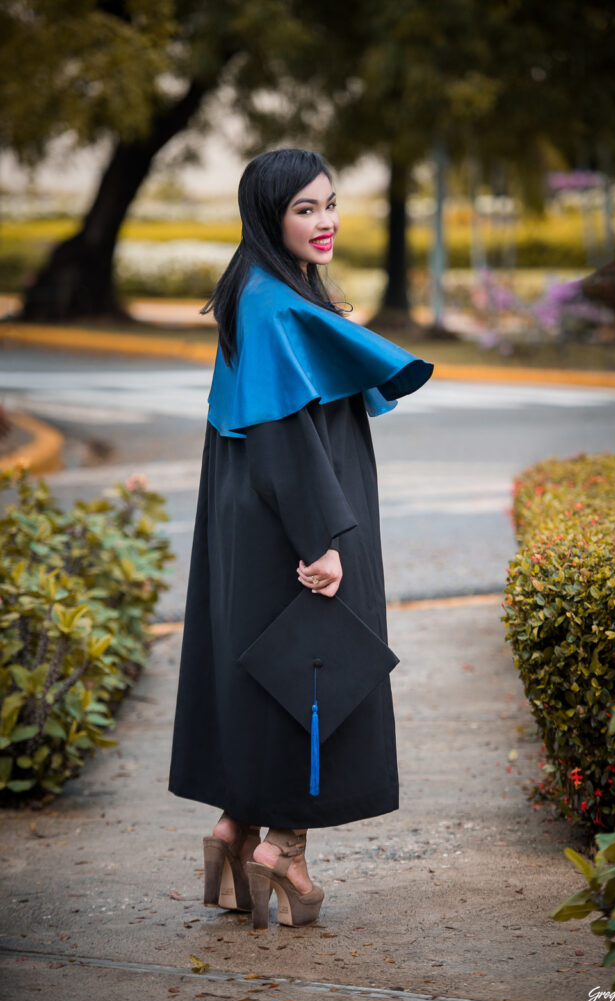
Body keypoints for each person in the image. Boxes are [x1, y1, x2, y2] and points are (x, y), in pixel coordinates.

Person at [168, 148, 433, 929]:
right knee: (314, 679)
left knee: (265, 670)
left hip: (255, 521)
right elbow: (283, 431)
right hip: (300, 520)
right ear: (269, 216)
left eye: (330, 204)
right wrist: (321, 540)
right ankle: (284, 850)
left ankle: (232, 830)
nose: (327, 222)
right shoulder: (272, 303)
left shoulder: (256, 289)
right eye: (305, 210)